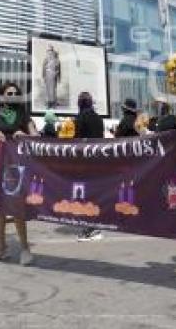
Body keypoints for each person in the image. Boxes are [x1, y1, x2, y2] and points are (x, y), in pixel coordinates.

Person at [0, 82, 37, 265]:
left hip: (16, 164)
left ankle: (25, 248)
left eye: (15, 93)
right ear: (3, 96)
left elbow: (36, 136)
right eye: (8, 93)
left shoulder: (24, 115)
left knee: (17, 206)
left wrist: (25, 135)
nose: (12, 95)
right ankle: (1, 248)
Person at [74, 91, 105, 242]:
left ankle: (90, 228)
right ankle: (94, 225)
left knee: (85, 194)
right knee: (93, 193)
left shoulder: (80, 118)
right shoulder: (99, 119)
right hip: (98, 161)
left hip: (84, 162)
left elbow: (76, 140)